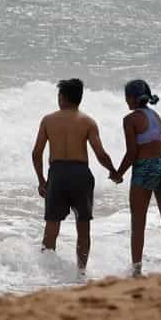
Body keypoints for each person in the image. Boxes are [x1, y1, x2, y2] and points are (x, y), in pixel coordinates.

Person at [32, 78, 117, 274]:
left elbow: (36, 153)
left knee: (52, 224)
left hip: (58, 174)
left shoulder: (48, 120)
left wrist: (41, 180)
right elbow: (100, 154)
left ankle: (46, 272)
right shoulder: (87, 122)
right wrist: (113, 171)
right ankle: (81, 272)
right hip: (80, 174)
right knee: (83, 226)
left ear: (61, 97)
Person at [111, 79, 161, 277]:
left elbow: (132, 152)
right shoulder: (157, 117)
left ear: (132, 98)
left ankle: (136, 270)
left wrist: (118, 173)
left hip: (144, 168)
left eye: (127, 97)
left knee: (138, 221)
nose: (126, 101)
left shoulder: (130, 119)